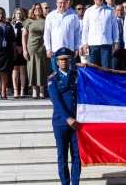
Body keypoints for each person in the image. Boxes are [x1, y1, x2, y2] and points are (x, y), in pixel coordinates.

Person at [48, 48, 80, 185]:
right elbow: (57, 101)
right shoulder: (53, 79)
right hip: (61, 122)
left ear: (70, 61)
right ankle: (65, 183)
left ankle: (75, 183)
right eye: (61, 59)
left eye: (66, 59)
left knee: (77, 156)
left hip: (77, 122)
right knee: (62, 156)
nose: (63, 62)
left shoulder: (76, 75)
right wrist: (68, 118)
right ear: (57, 61)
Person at [81, 0, 119, 68]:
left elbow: (115, 26)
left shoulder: (110, 11)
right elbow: (85, 28)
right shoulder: (88, 11)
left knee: (106, 67)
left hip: (106, 43)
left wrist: (116, 41)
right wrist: (84, 43)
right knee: (94, 68)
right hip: (93, 44)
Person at [45, 0, 82, 73]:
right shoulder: (50, 16)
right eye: (60, 3)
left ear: (67, 3)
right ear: (56, 3)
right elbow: (47, 33)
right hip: (55, 50)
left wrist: (76, 47)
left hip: (70, 50)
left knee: (70, 73)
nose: (62, 5)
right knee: (56, 73)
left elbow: (77, 33)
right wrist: (48, 48)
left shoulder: (74, 15)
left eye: (64, 3)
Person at [25, 3, 52, 98]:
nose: (37, 10)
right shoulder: (28, 21)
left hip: (43, 47)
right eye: (36, 8)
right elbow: (24, 36)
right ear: (33, 10)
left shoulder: (46, 20)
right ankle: (34, 90)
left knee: (42, 68)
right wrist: (24, 50)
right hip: (32, 47)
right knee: (32, 68)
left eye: (39, 8)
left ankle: (42, 90)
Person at [11, 8, 28, 98]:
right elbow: (11, 37)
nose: (18, 15)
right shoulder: (11, 24)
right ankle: (15, 90)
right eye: (17, 13)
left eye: (20, 13)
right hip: (14, 49)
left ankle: (22, 90)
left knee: (23, 70)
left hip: (24, 48)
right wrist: (16, 48)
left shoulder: (25, 24)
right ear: (14, 14)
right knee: (15, 70)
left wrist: (23, 47)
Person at [112, 4, 126, 70]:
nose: (120, 12)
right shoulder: (112, 21)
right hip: (115, 47)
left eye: (121, 10)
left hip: (125, 46)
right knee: (115, 65)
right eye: (118, 10)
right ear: (115, 11)